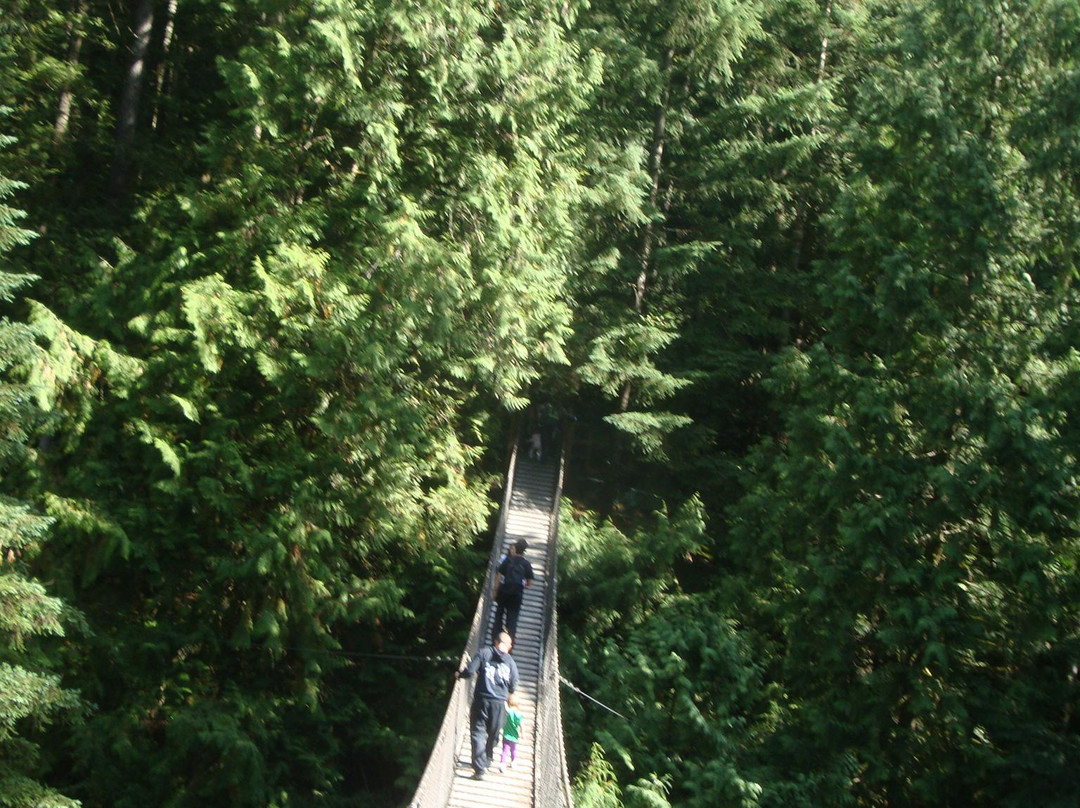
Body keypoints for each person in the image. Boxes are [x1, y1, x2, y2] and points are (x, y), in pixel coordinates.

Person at [458, 631, 519, 780]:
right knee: (494, 733)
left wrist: (459, 674)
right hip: (499, 704)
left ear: (495, 642)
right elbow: (513, 684)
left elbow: (470, 671)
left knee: (478, 732)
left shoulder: (484, 653)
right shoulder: (510, 662)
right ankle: (486, 761)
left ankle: (480, 770)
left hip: (481, 700)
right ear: (508, 646)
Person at [493, 538, 534, 639]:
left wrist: (495, 591)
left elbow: (498, 576)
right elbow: (529, 583)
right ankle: (509, 644)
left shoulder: (508, 560)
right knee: (512, 620)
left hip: (503, 592)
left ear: (515, 549)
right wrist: (522, 585)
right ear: (524, 551)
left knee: (499, 615)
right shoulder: (526, 564)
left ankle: (495, 639)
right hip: (516, 594)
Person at [498, 692, 524, 773]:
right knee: (513, 750)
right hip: (514, 737)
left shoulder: (508, 712)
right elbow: (521, 725)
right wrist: (523, 734)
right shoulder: (519, 714)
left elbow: (506, 708)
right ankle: (513, 761)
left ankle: (502, 763)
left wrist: (504, 701)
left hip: (506, 735)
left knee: (504, 750)